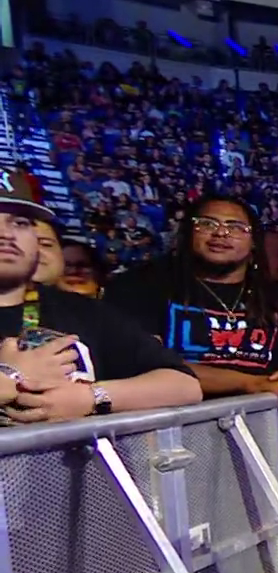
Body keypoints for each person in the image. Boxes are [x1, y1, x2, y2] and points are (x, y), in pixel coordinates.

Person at [0, 167, 200, 422]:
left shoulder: (83, 311)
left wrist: (91, 398)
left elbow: (184, 385)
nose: (6, 234)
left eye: (20, 223)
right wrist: (8, 378)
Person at [104, 194, 278, 409]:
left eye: (236, 227)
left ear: (254, 241)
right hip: (170, 421)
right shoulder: (139, 285)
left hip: (265, 422)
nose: (221, 233)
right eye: (207, 224)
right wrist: (250, 383)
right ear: (188, 232)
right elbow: (147, 365)